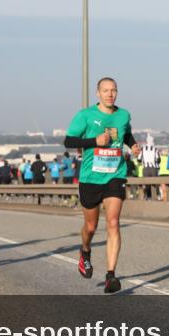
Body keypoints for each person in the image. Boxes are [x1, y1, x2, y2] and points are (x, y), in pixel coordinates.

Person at [63, 77, 140, 293]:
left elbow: (127, 134)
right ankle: (85, 251)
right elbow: (69, 141)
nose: (110, 94)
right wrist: (93, 142)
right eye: (106, 90)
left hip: (115, 175)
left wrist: (133, 146)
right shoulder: (86, 115)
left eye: (114, 90)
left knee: (113, 222)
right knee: (91, 227)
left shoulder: (123, 115)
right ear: (98, 93)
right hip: (90, 179)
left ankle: (111, 276)